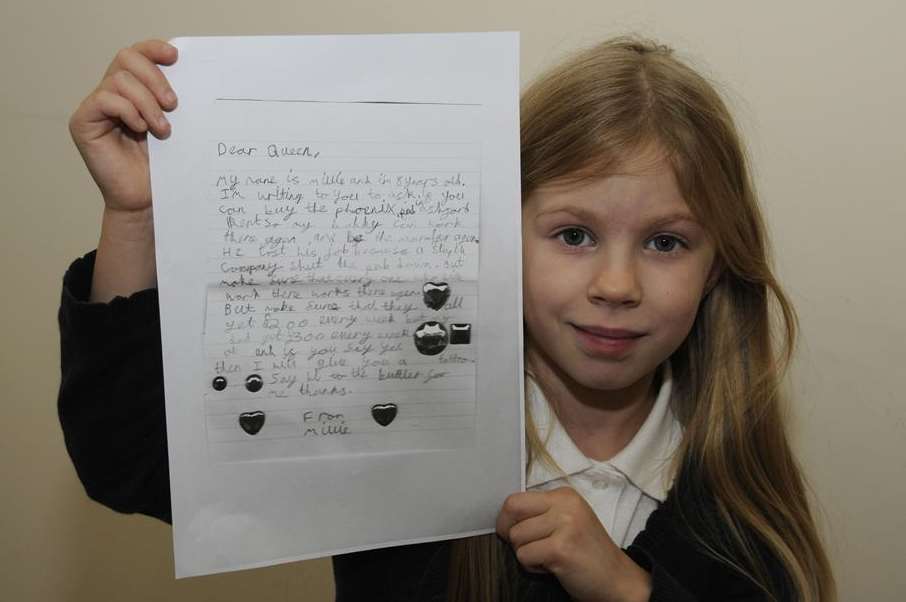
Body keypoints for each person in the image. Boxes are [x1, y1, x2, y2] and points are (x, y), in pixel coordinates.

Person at [59, 37, 836, 601]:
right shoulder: (392, 426)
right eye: (574, 234)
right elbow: (128, 462)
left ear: (718, 265)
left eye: (667, 242)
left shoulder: (740, 492)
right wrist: (134, 218)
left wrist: (629, 590)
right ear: (495, 229)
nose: (617, 283)